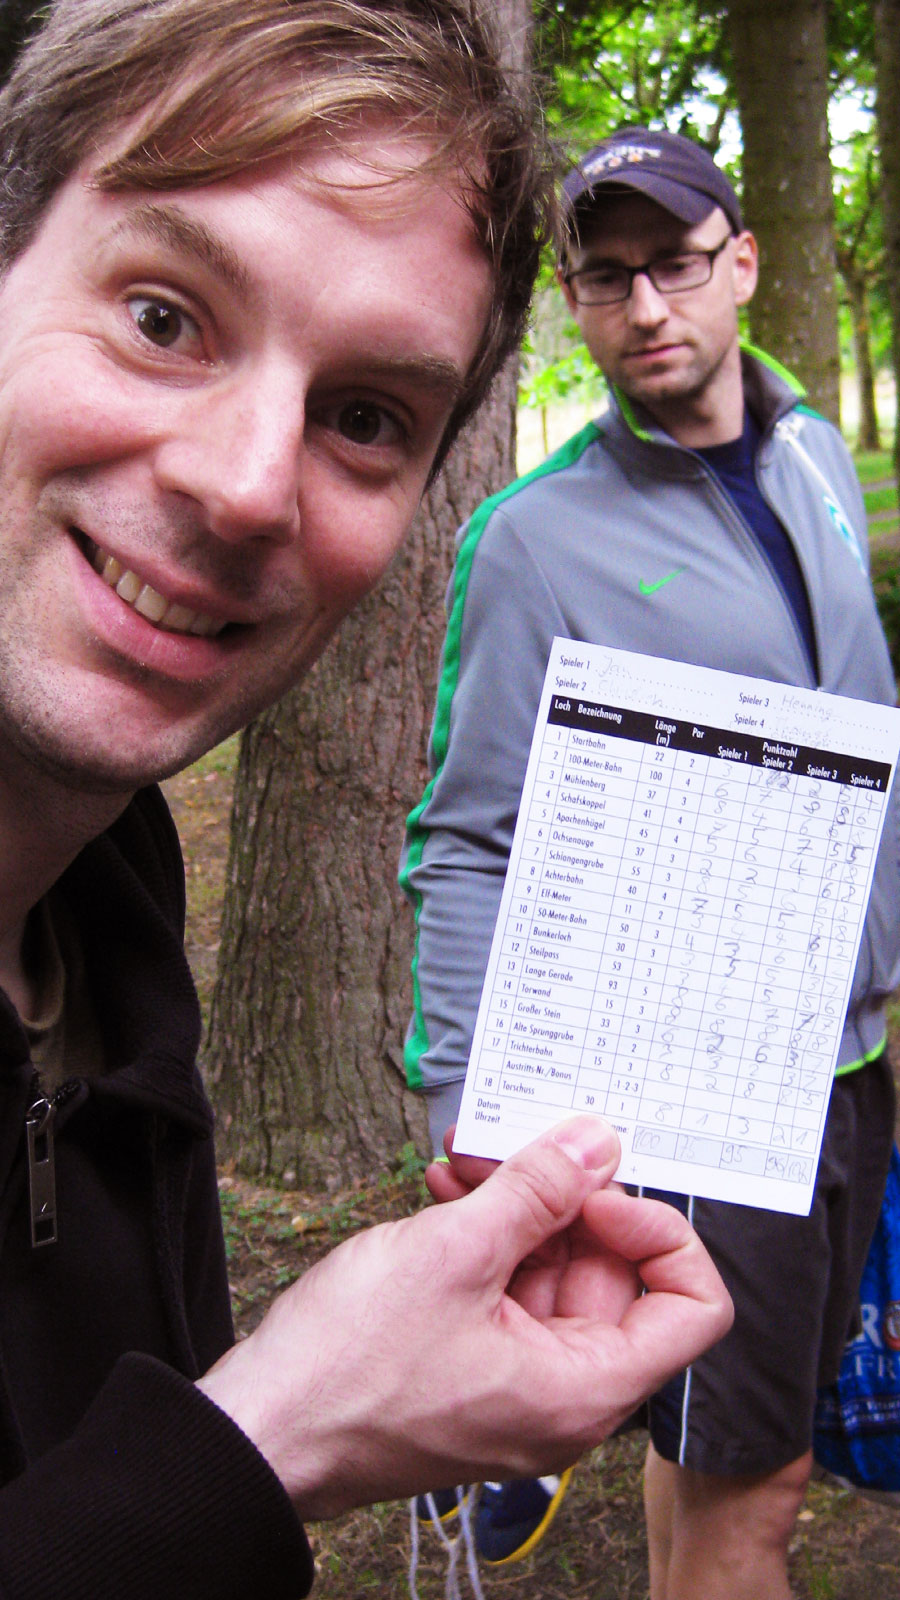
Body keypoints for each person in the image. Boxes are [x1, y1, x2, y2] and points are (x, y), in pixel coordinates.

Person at [0, 13, 736, 1599]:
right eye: (160, 316)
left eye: (364, 418)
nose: (246, 482)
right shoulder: (536, 541)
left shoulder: (113, 898)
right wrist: (273, 1438)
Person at [401, 126, 900, 1597]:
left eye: (674, 264)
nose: (645, 306)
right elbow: (468, 835)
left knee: (725, 1454)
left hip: (852, 1061)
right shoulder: (533, 540)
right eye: (606, 278)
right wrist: (467, 1112)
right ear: (574, 303)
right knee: (761, 1486)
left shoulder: (812, 450)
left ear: (741, 263)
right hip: (700, 1094)